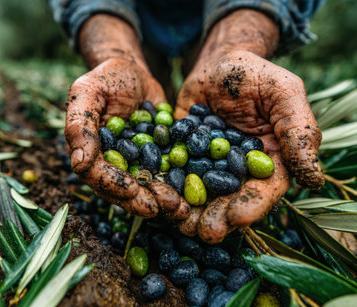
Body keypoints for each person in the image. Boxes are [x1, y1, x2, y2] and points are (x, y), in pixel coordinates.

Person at [50, 0, 325, 243]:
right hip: (134, 17)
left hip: (225, 12)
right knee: (150, 74)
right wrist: (117, 55)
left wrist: (234, 47)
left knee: (204, 71)